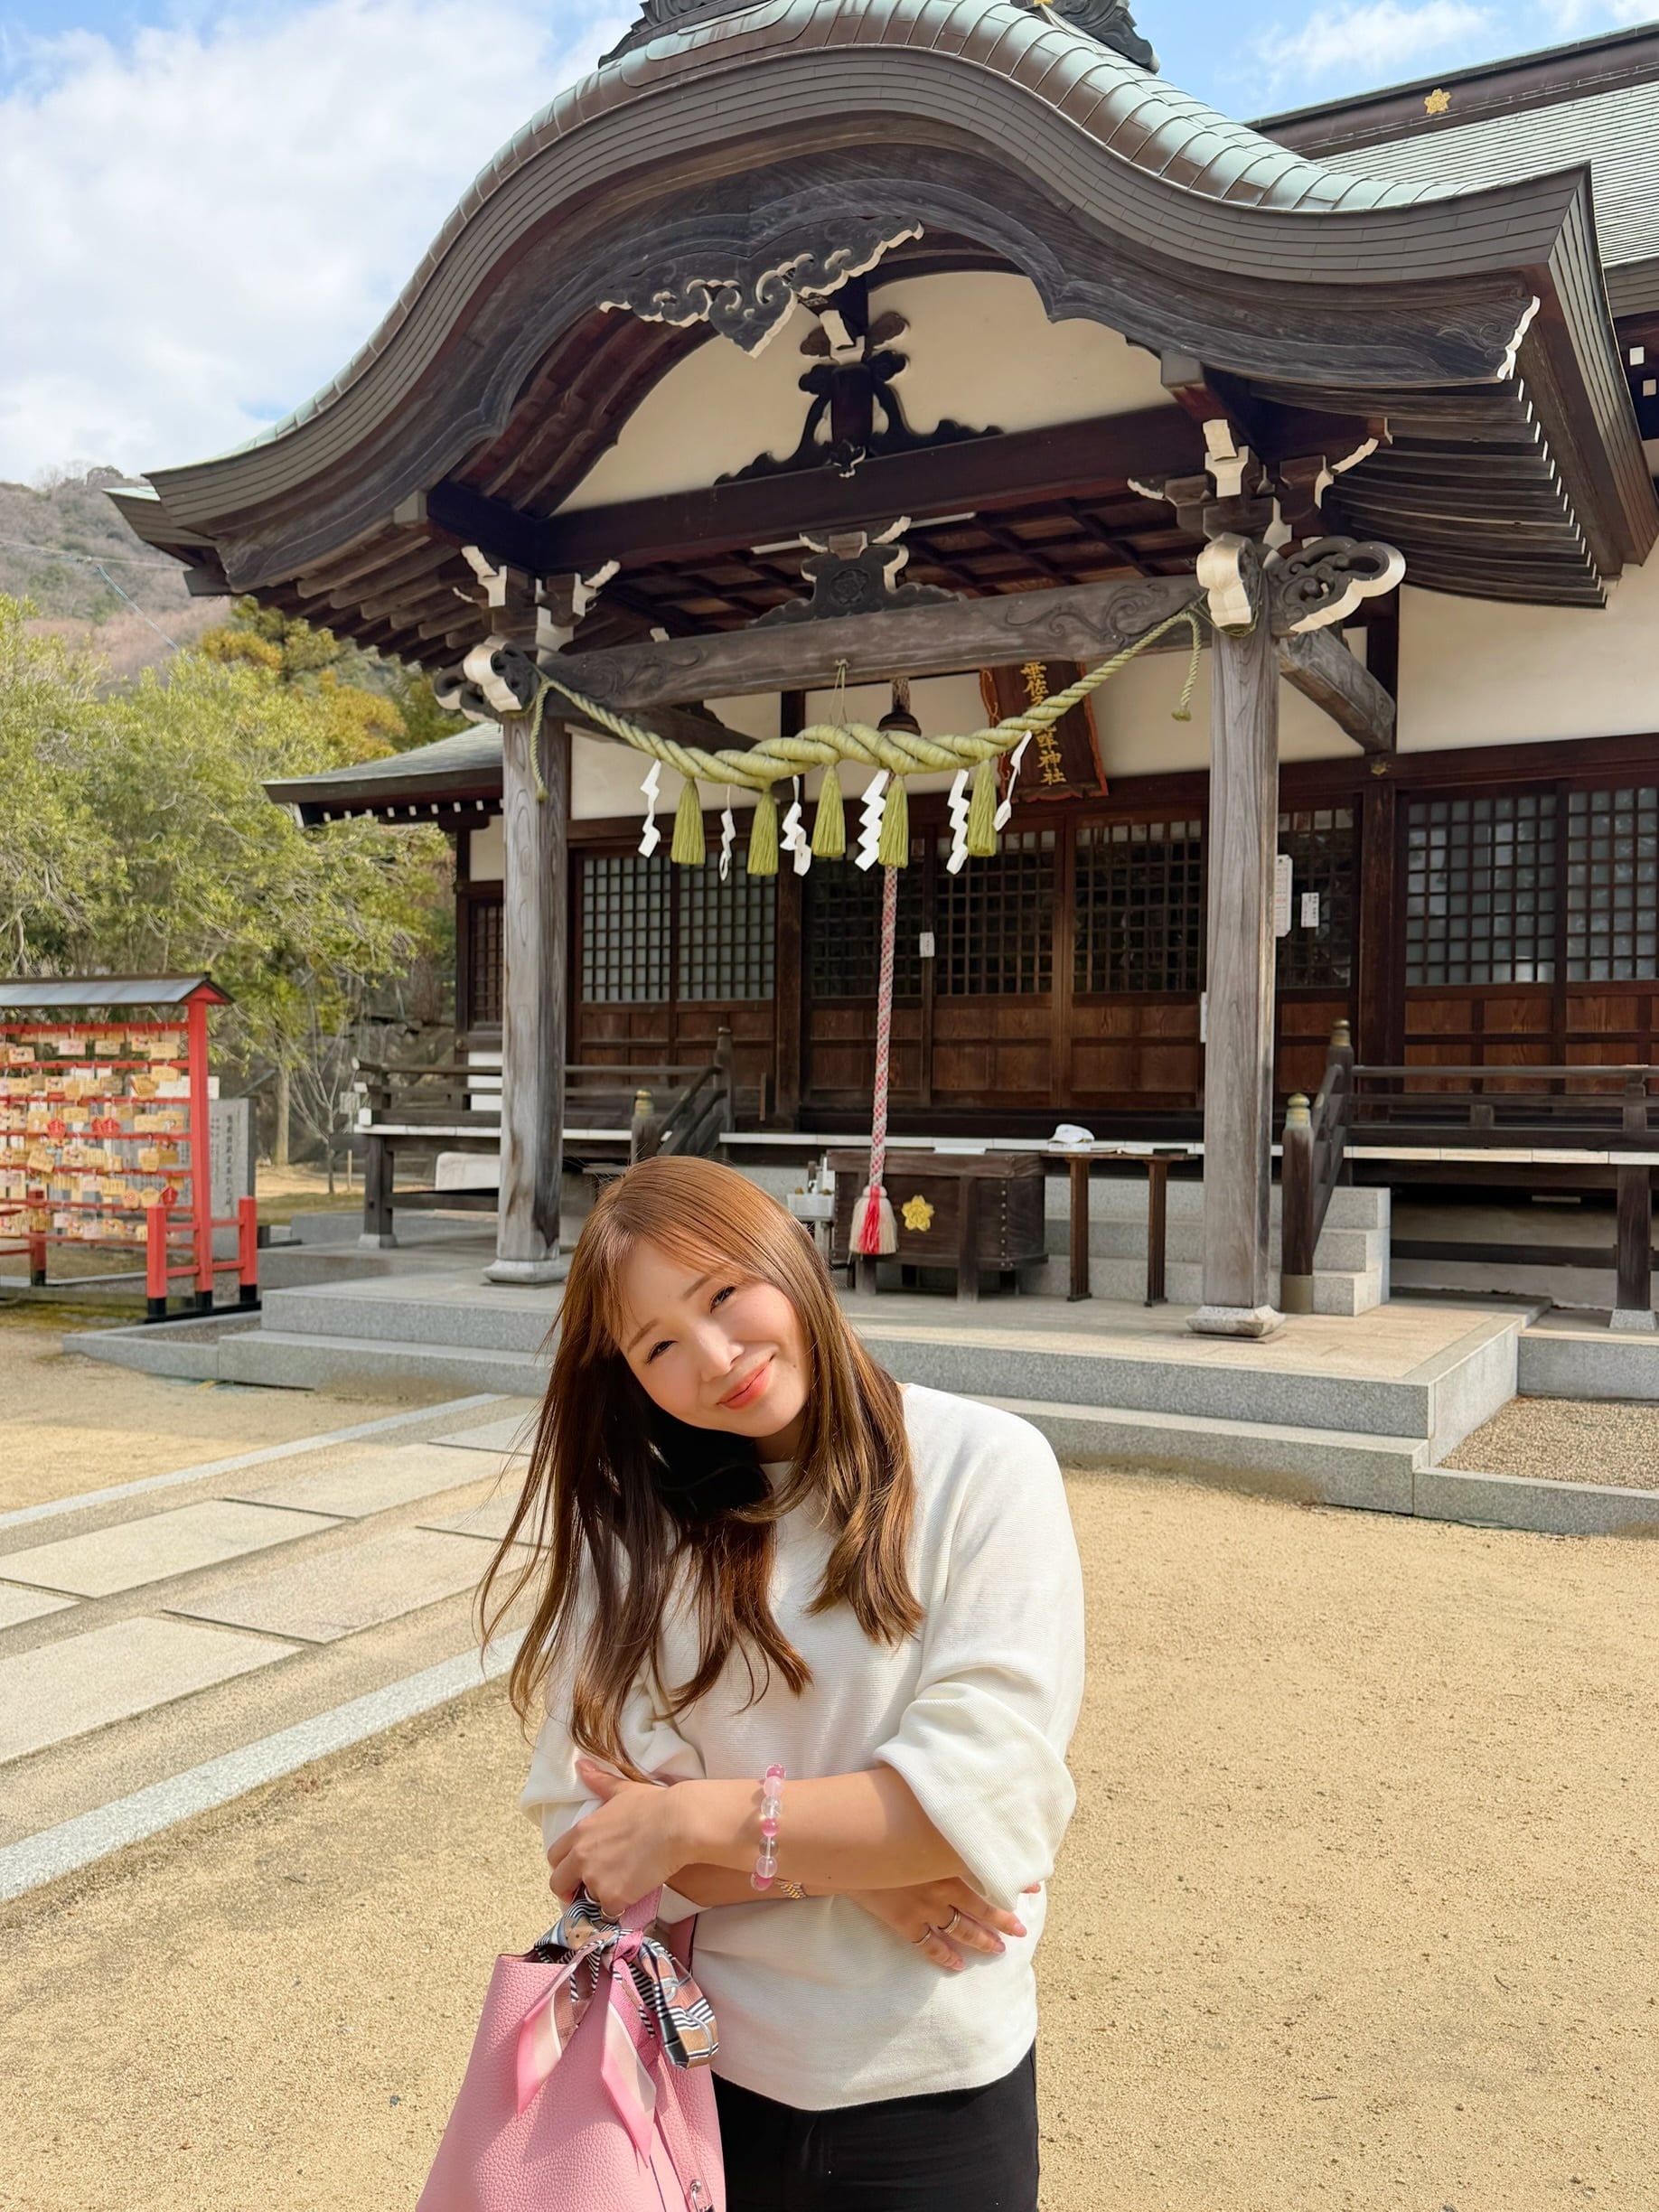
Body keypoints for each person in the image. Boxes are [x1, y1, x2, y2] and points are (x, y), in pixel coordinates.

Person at [483, 1154, 1084, 2212]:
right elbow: (592, 1842)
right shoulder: (640, 1532)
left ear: (790, 1251)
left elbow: (982, 1803)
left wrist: (692, 1820)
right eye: (658, 1345)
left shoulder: (984, 1468)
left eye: (724, 1293)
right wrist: (864, 1865)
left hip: (935, 2086)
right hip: (698, 2083)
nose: (716, 1357)